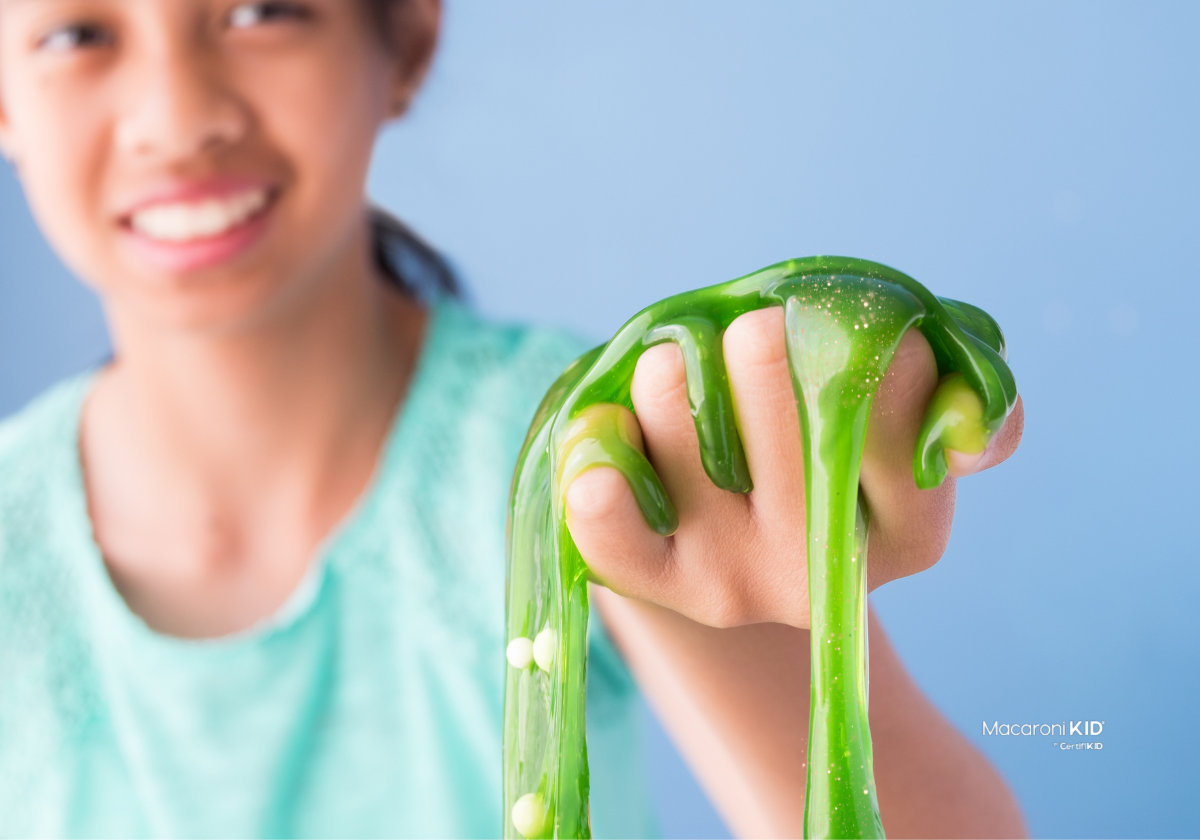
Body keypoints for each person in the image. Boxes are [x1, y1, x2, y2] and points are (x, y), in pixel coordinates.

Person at [0, 1, 1027, 836]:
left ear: (405, 43)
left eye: (266, 10)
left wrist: (770, 611)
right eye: (74, 35)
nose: (178, 119)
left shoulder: (606, 446)